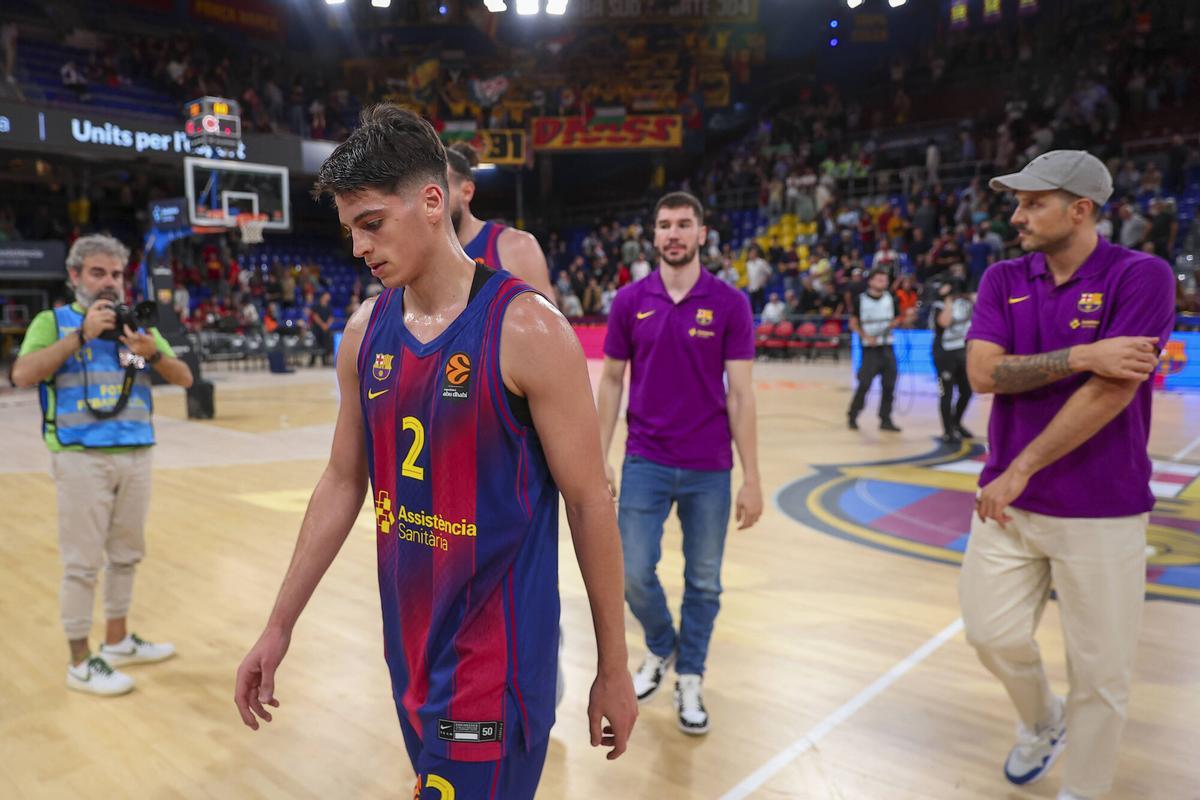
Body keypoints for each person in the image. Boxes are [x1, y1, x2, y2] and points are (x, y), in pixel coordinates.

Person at [234, 105, 636, 799]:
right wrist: (278, 624)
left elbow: (589, 500)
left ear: (431, 202)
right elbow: (340, 480)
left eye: (371, 224)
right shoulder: (365, 332)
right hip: (410, 646)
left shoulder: (528, 330)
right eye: (350, 230)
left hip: (496, 661)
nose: (358, 248)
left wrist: (614, 666)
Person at [962, 150, 1175, 800]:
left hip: (1101, 509)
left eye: (1033, 203)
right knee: (988, 633)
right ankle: (1042, 721)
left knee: (1101, 675)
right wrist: (1084, 353)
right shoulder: (1003, 278)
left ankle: (1082, 789)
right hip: (1010, 502)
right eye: (1018, 203)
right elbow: (982, 373)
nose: (1017, 215)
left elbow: (1113, 392)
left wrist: (1023, 464)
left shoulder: (1144, 276)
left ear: (1081, 209)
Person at [597, 191, 762, 736]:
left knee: (705, 582)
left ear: (701, 233)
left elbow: (740, 395)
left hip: (709, 466)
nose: (673, 233)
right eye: (664, 224)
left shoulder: (730, 303)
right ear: (654, 233)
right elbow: (613, 381)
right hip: (645, 457)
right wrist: (600, 457)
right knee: (631, 573)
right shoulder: (629, 301)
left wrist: (752, 477)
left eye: (683, 224)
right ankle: (662, 646)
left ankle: (690, 674)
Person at [11, 234, 193, 696]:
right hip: (79, 456)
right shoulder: (53, 322)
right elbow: (23, 373)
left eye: (115, 274)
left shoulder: (133, 331)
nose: (109, 282)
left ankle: (117, 640)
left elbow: (184, 377)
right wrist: (80, 336)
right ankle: (79, 660)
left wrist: (148, 351)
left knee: (127, 554)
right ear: (75, 277)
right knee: (82, 563)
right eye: (98, 273)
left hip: (135, 450)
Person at [445, 141, 554, 298]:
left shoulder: (518, 247)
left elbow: (549, 321)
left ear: (467, 191)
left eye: (442, 189)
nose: (433, 201)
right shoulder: (418, 256)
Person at [847, 268, 901, 432]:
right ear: (870, 281)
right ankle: (853, 415)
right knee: (864, 384)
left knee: (889, 385)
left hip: (887, 346)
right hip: (870, 349)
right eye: (878, 279)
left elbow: (898, 317)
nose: (882, 282)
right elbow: (853, 322)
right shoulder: (860, 300)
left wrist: (895, 323)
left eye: (884, 279)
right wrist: (865, 335)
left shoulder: (891, 298)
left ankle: (885, 418)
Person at [930, 277, 974, 443]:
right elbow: (944, 322)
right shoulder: (939, 306)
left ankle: (956, 423)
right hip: (944, 354)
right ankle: (947, 430)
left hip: (961, 352)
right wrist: (948, 300)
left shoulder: (966, 303)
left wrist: (969, 297)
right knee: (946, 393)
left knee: (967, 391)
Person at [308, 290, 333, 366]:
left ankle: (324, 361)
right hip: (317, 328)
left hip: (325, 329)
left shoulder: (328, 306)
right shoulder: (317, 305)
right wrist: (322, 324)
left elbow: (331, 317)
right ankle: (312, 361)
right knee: (315, 344)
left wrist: (327, 325)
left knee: (325, 344)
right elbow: (315, 316)